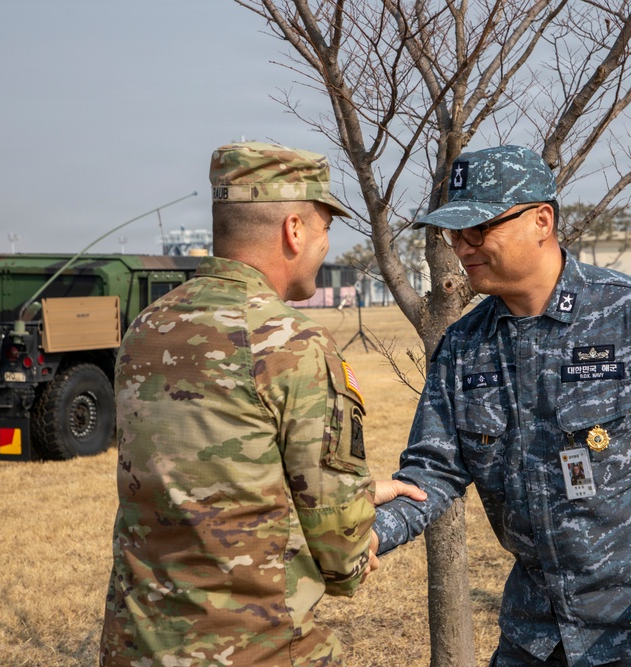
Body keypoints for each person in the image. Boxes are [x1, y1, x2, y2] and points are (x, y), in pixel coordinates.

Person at [371, 145, 631, 666]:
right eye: (453, 233)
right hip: (535, 632)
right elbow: (432, 471)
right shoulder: (463, 346)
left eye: (479, 229)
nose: (461, 247)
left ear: (542, 220)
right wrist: (371, 533)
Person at [99, 141, 424, 667]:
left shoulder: (147, 328)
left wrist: (361, 489)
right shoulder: (290, 343)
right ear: (294, 230)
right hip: (256, 650)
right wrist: (356, 525)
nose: (324, 246)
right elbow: (340, 557)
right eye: (325, 229)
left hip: (138, 645)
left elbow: (213, 480)